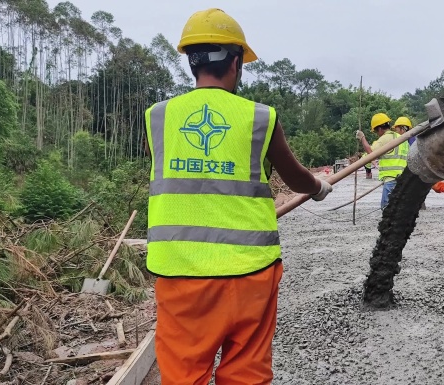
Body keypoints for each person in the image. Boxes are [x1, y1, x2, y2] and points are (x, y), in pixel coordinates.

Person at [143, 9, 333, 384]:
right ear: (234, 62)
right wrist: (318, 186)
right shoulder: (260, 117)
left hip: (181, 273)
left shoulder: (158, 117)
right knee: (246, 373)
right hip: (251, 272)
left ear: (191, 63)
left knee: (183, 374)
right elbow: (295, 178)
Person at [393, 116, 444, 209]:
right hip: (420, 167)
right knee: (418, 187)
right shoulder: (409, 140)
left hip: (424, 166)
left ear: (403, 128)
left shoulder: (412, 140)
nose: (397, 132)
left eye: (397, 130)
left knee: (435, 184)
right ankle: (420, 207)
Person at [356, 113, 408, 209]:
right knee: (400, 211)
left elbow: (371, 153)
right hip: (405, 180)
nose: (377, 134)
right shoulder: (401, 138)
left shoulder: (386, 138)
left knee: (387, 210)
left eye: (376, 131)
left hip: (392, 180)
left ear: (379, 129)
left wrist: (362, 138)